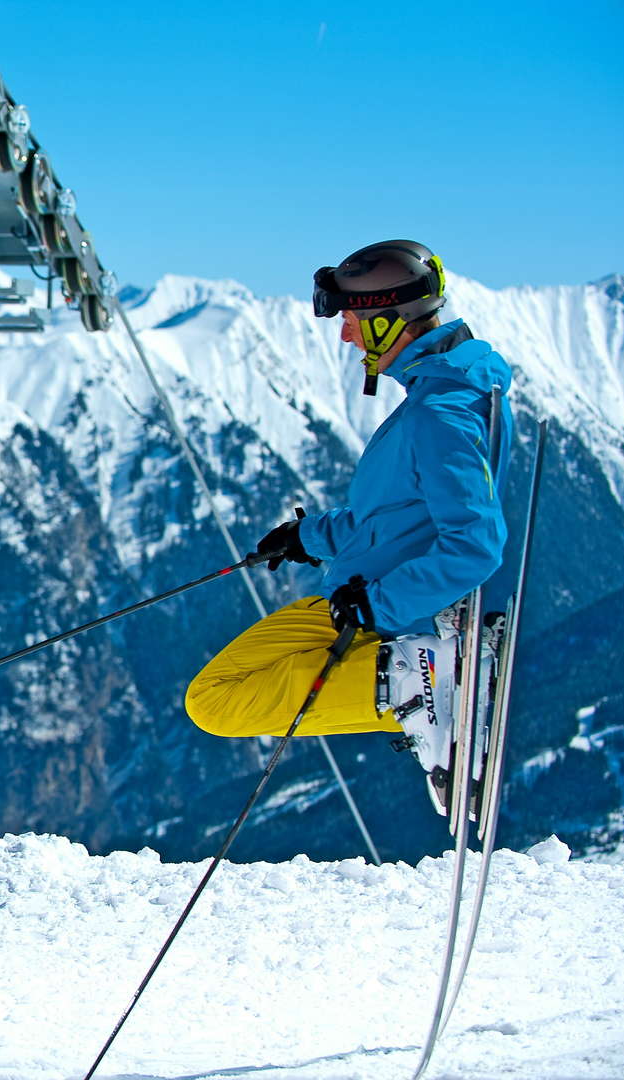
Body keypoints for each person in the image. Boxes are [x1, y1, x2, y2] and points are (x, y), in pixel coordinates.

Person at [184, 240, 512, 814]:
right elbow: (392, 518)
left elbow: (476, 544)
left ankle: (416, 685)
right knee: (208, 694)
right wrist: (308, 537)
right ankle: (416, 681)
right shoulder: (436, 396)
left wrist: (380, 607)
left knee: (217, 704)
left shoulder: (441, 413)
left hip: (385, 620)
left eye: (355, 320)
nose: (346, 336)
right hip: (357, 598)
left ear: (389, 320)